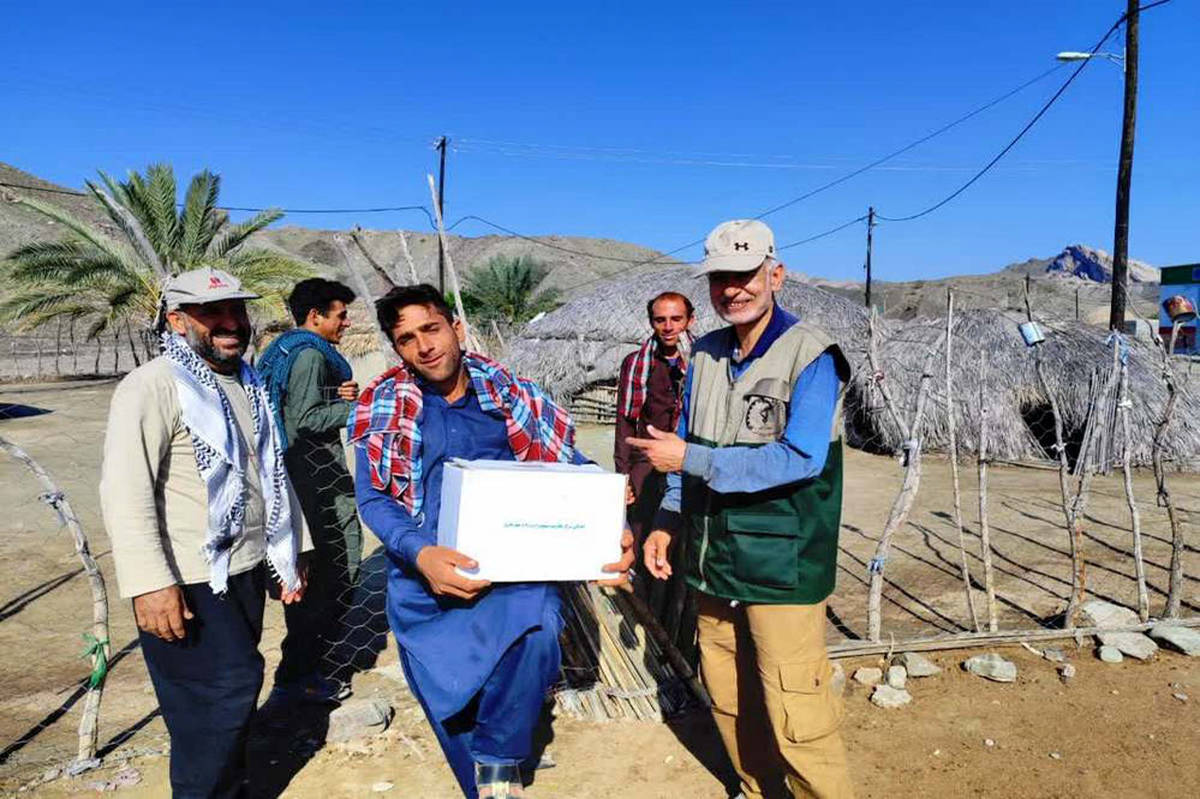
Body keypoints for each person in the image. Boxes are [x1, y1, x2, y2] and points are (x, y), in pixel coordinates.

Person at [349, 284, 634, 799]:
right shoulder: (385, 407)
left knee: (538, 633)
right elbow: (374, 501)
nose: (424, 346)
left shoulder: (512, 397)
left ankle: (501, 758)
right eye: (407, 338)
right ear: (398, 349)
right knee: (450, 704)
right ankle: (488, 781)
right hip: (426, 580)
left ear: (456, 328)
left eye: (431, 329)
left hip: (513, 571)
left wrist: (610, 521)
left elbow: (566, 463)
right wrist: (422, 554)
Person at [628, 220, 855, 799]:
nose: (733, 289)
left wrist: (693, 460)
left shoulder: (811, 354)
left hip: (782, 563)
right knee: (728, 695)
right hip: (713, 556)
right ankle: (758, 791)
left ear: (774, 275)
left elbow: (798, 459)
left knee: (795, 705)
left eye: (745, 275)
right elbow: (683, 448)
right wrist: (668, 520)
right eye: (721, 279)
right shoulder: (704, 355)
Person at [100, 267, 311, 798]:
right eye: (211, 313)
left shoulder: (247, 381)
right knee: (217, 700)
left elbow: (270, 472)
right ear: (177, 320)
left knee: (233, 695)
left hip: (241, 568)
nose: (230, 323)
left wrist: (293, 548)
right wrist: (150, 583)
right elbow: (125, 490)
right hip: (187, 579)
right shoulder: (152, 386)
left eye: (235, 311)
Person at [257, 277, 361, 704]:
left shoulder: (284, 350)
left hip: (296, 475)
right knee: (335, 568)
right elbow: (306, 418)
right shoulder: (309, 357)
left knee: (311, 572)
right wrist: (358, 408)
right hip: (313, 480)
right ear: (315, 316)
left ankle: (305, 668)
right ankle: (301, 673)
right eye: (340, 315)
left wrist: (337, 397)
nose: (347, 322)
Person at [612, 291, 696, 660]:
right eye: (661, 320)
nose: (668, 327)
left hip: (690, 466)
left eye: (675, 319)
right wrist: (624, 476)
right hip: (647, 470)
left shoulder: (701, 364)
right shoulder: (637, 365)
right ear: (651, 323)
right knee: (646, 542)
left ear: (689, 321)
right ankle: (649, 635)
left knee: (683, 549)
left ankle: (679, 638)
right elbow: (625, 423)